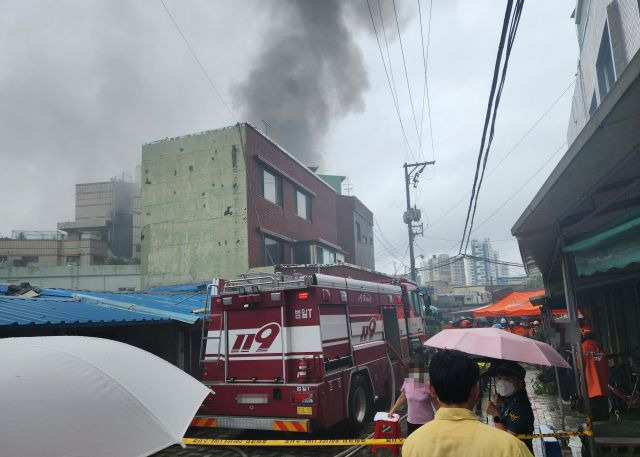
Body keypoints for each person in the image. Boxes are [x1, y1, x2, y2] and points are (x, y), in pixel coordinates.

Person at [403, 350, 532, 457]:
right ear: (476, 389)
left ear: (432, 390)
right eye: (499, 377)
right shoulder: (511, 448)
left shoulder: (412, 444)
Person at [485, 361, 535, 453]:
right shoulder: (507, 398)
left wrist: (495, 413)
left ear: (519, 383)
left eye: (507, 378)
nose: (501, 382)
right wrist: (500, 404)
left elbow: (506, 440)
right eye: (498, 378)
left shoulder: (520, 407)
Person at [388, 354, 437, 436]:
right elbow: (402, 397)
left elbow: (436, 402)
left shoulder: (428, 384)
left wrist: (442, 418)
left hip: (427, 422)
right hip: (411, 422)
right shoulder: (407, 382)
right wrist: (393, 410)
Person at [581, 325, 610, 421]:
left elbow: (579, 365)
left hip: (590, 386)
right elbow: (605, 363)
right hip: (602, 384)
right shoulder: (598, 347)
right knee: (603, 411)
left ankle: (599, 434)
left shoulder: (583, 347)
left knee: (594, 413)